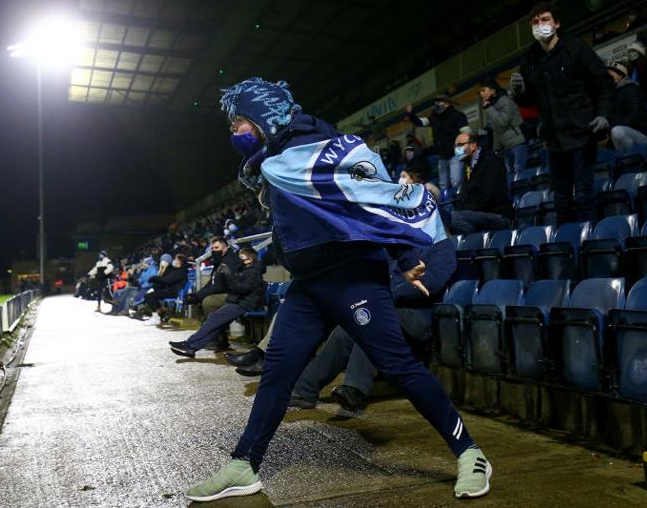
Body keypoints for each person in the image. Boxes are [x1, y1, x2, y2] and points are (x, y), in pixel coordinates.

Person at [185, 78, 491, 502]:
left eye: (240, 121)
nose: (236, 130)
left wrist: (403, 257)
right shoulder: (273, 158)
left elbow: (370, 197)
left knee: (398, 365)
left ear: (263, 115)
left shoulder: (319, 142)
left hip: (353, 276)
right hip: (309, 282)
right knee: (277, 372)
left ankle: (470, 453)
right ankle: (244, 464)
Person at [289, 237, 455, 411]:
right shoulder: (398, 244)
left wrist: (386, 296)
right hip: (385, 310)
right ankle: (304, 390)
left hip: (418, 315)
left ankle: (354, 389)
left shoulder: (441, 245)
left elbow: (433, 283)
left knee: (371, 321)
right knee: (344, 330)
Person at [510, 2, 615, 225]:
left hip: (581, 132)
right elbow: (529, 101)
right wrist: (518, 93)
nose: (541, 25)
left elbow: (603, 83)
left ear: (556, 23)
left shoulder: (576, 48)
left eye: (545, 19)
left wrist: (603, 114)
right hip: (553, 138)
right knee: (561, 199)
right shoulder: (529, 59)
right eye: (535, 22)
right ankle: (568, 245)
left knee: (584, 194)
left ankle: (588, 241)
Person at [169, 247, 264, 357]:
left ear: (250, 259)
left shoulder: (254, 271)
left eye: (242, 258)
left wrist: (229, 276)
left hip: (244, 304)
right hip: (239, 301)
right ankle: (192, 348)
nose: (239, 260)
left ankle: (189, 343)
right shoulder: (247, 269)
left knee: (214, 319)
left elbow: (241, 289)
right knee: (217, 325)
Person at [448, 131, 514, 235]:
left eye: (460, 145)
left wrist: (467, 210)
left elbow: (489, 195)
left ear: (473, 145)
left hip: (497, 215)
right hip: (478, 214)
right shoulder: (467, 166)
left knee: (454, 218)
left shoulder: (491, 161)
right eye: (455, 146)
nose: (456, 149)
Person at [405, 94, 470, 192]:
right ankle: (448, 205)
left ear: (447, 103)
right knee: (443, 184)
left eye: (440, 101)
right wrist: (411, 114)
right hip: (442, 156)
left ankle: (460, 201)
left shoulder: (457, 115)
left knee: (456, 182)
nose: (436, 104)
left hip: (456, 153)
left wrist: (465, 149)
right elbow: (420, 122)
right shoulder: (433, 117)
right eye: (436, 102)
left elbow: (467, 133)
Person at [478, 78, 525, 184]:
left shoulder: (505, 100)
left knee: (520, 176)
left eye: (483, 90)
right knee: (509, 177)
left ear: (493, 91)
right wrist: (496, 148)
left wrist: (489, 108)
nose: (481, 94)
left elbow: (502, 122)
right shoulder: (492, 105)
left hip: (517, 143)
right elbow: (496, 129)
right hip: (506, 146)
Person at [606, 62, 647, 152]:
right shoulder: (611, 94)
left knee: (617, 131)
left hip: (640, 134)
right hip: (618, 135)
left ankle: (632, 158)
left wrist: (610, 128)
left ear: (620, 75)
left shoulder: (631, 89)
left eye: (610, 74)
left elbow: (635, 117)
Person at [142, 253, 189, 325]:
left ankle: (156, 318)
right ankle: (160, 310)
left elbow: (168, 281)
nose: (174, 261)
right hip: (168, 290)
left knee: (150, 296)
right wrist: (154, 287)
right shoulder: (176, 270)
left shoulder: (181, 272)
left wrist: (155, 278)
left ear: (180, 262)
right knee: (149, 295)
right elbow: (165, 281)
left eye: (176, 259)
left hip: (173, 292)